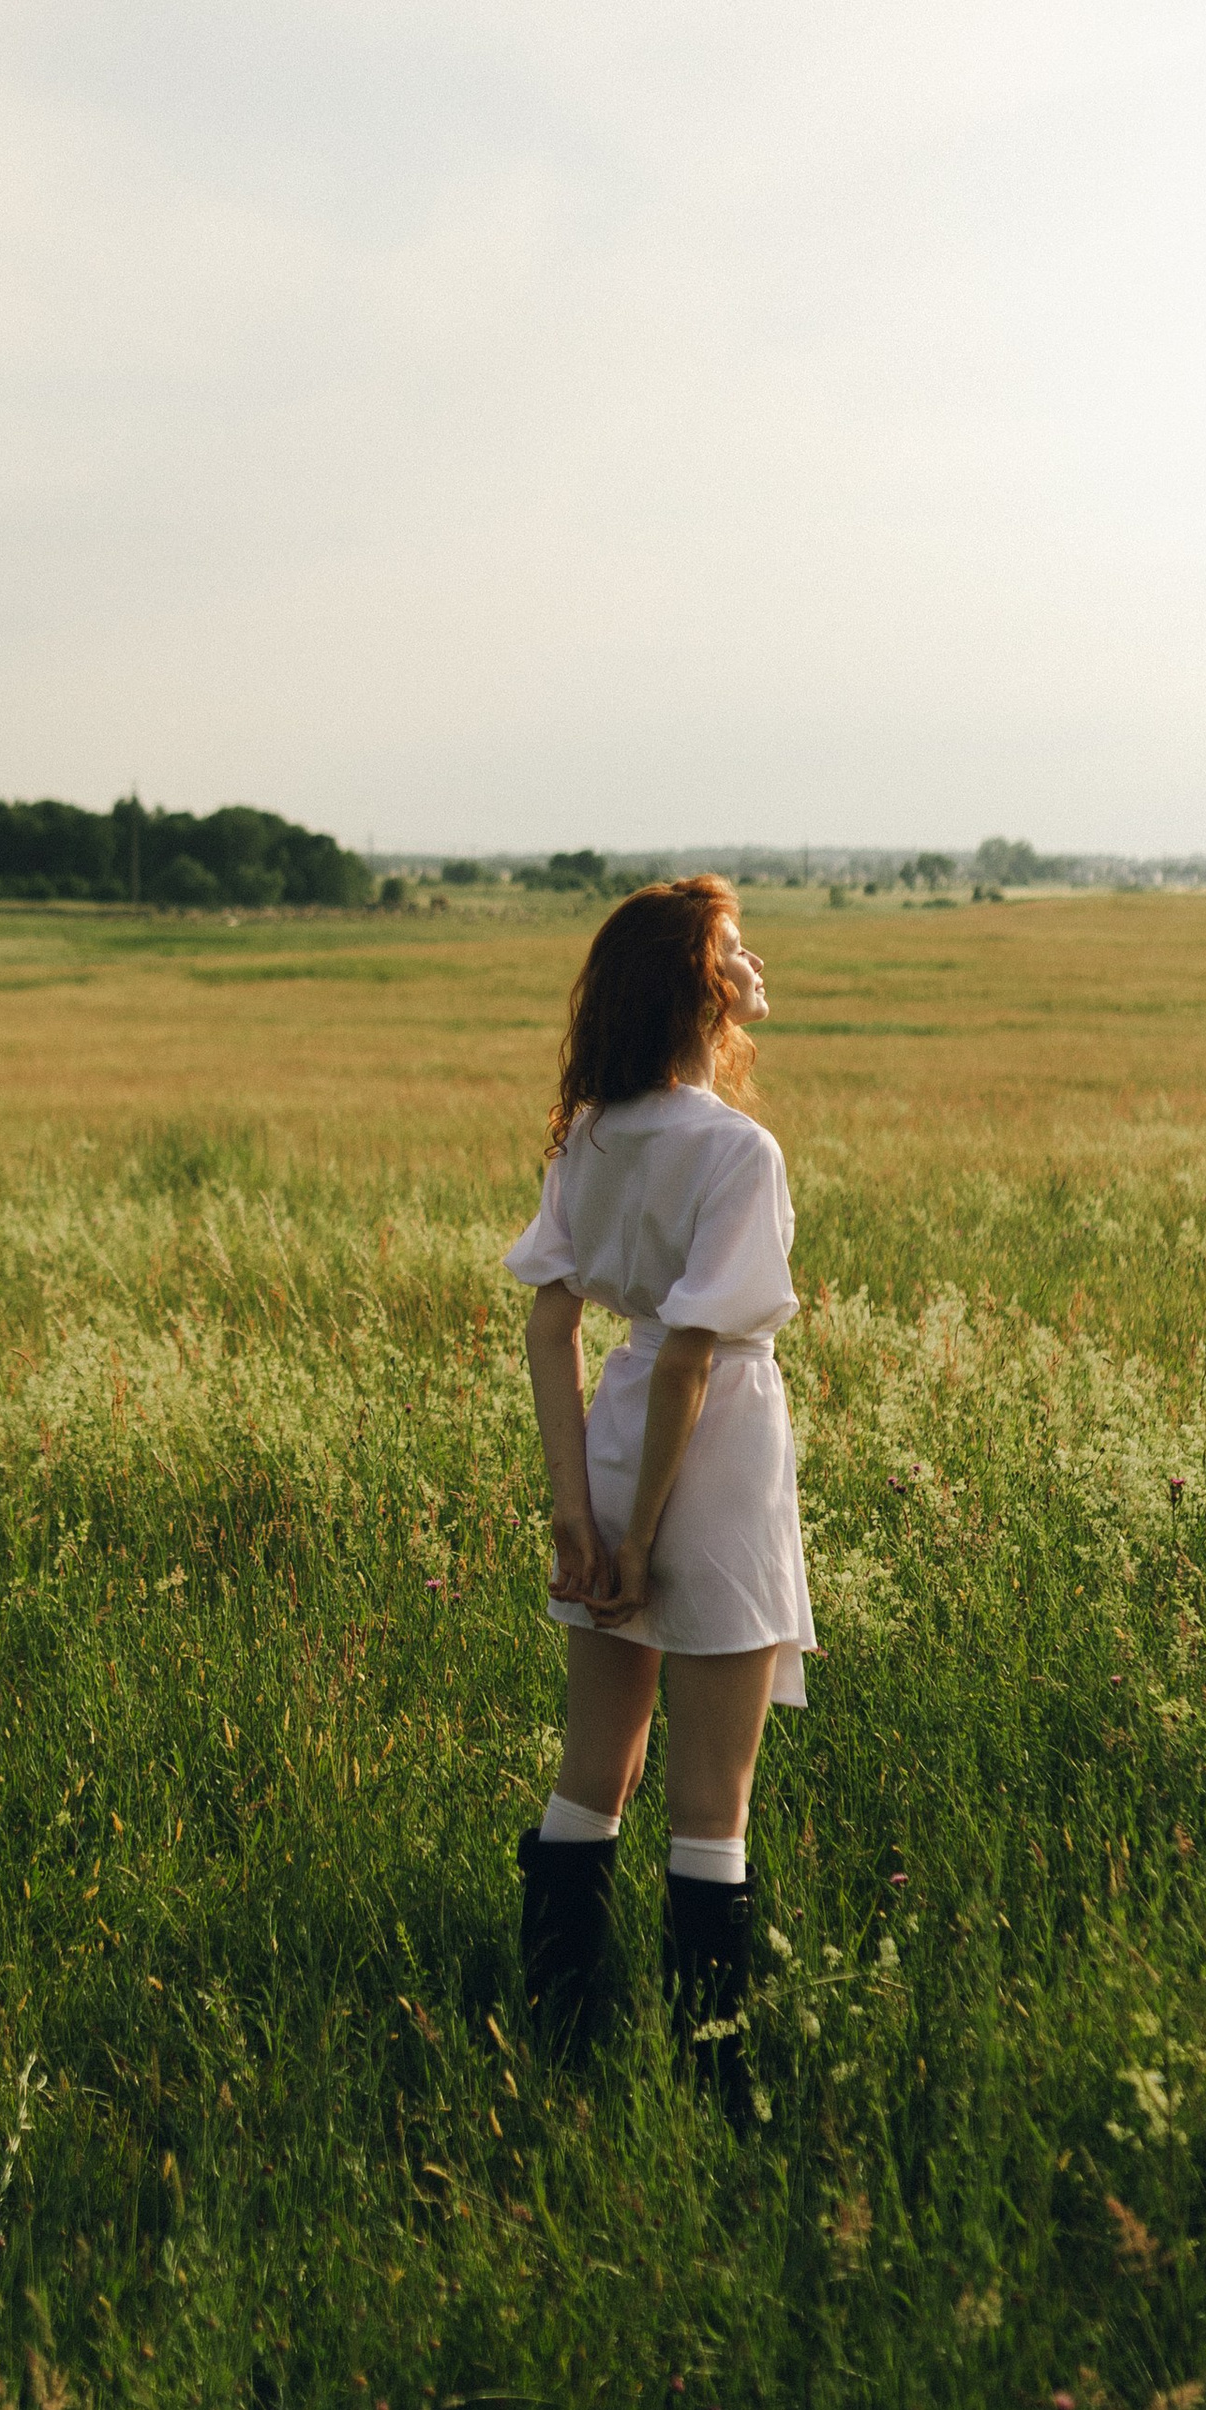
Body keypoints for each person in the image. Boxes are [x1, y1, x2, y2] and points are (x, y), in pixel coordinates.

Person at [502, 876, 816, 2125]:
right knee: (709, 1805)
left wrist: (576, 1511)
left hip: (621, 1428)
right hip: (719, 1452)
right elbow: (697, 1350)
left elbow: (551, 1319)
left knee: (592, 1775)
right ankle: (716, 2089)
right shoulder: (739, 1150)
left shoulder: (589, 1130)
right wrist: (636, 1541)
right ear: (697, 984)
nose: (752, 965)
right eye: (734, 949)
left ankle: (558, 2035)